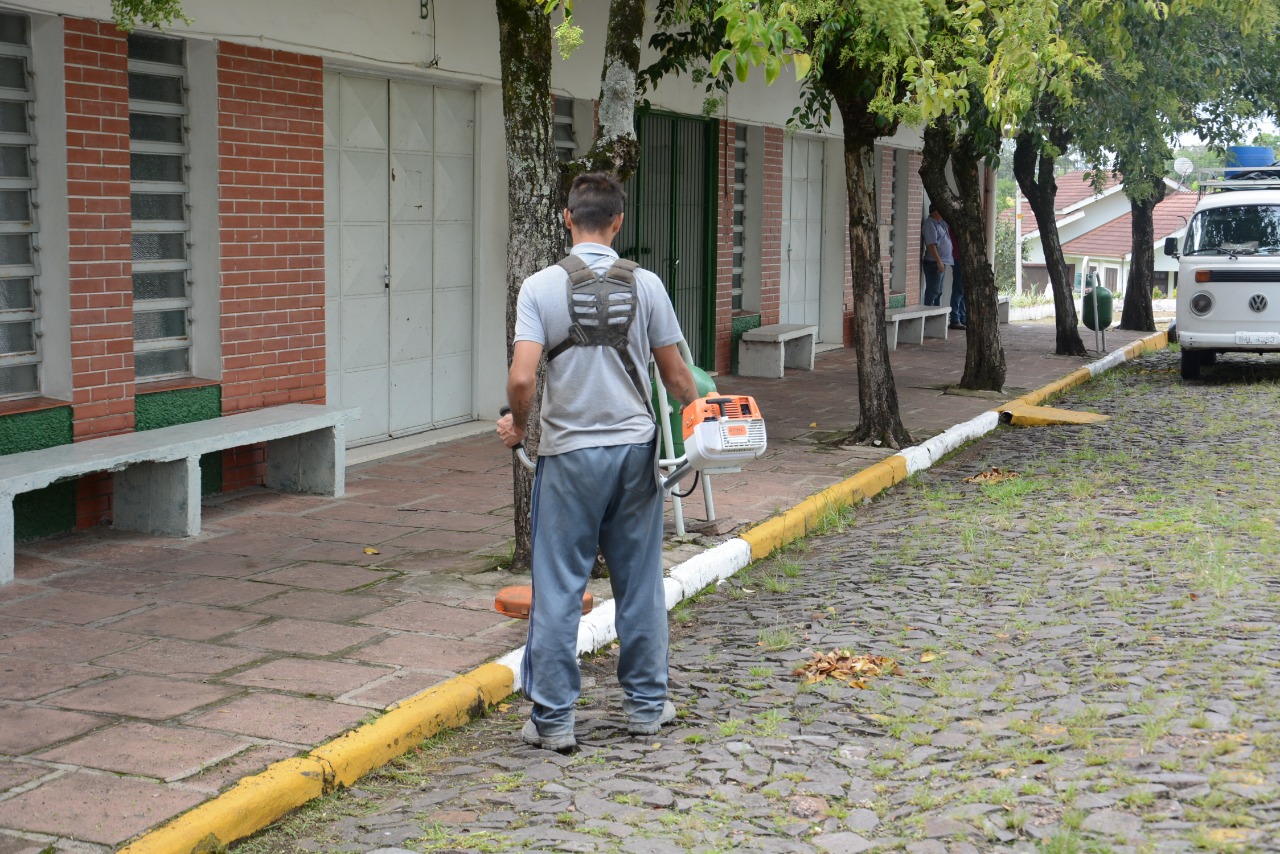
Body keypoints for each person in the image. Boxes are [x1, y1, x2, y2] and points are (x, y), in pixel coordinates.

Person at [496, 172, 699, 753]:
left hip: (568, 457)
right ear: (617, 222)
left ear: (567, 218)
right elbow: (678, 377)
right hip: (635, 455)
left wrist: (518, 425)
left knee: (559, 588)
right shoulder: (649, 286)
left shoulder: (539, 288)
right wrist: (704, 421)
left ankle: (555, 720)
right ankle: (646, 706)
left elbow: (521, 377)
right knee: (639, 584)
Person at [921, 203, 952, 307]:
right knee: (933, 290)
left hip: (943, 261)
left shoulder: (941, 223)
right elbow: (931, 245)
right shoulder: (930, 224)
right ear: (935, 211)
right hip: (934, 263)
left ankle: (936, 312)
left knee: (938, 291)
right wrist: (939, 261)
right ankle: (928, 311)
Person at [947, 222, 966, 330]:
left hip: (961, 259)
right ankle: (955, 318)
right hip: (959, 259)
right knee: (958, 290)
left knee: (962, 291)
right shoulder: (956, 227)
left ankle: (962, 317)